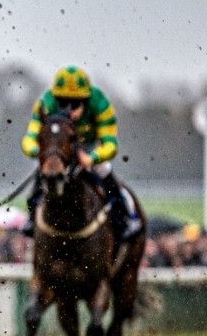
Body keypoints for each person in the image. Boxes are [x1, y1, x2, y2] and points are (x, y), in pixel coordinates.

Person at [20, 65, 141, 239]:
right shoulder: (45, 103)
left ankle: (126, 218)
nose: (68, 109)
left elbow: (111, 144)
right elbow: (29, 139)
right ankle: (32, 218)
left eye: (75, 103)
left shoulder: (100, 103)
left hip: (89, 149)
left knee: (105, 172)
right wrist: (45, 154)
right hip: (60, 152)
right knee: (44, 174)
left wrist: (92, 158)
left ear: (86, 101)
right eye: (62, 102)